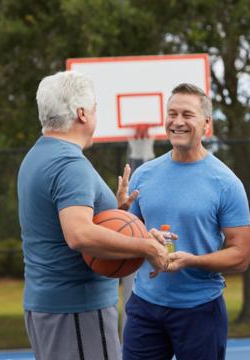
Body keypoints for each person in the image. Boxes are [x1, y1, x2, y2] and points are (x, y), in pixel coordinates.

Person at [18, 70, 168, 360]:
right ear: (82, 113)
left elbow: (64, 224)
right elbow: (79, 234)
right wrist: (146, 245)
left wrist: (115, 211)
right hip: (76, 307)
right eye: (96, 107)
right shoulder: (69, 164)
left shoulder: (37, 156)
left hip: (48, 302)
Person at [123, 83, 250, 360]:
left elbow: (241, 256)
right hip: (145, 306)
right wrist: (138, 232)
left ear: (207, 124)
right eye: (172, 114)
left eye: (187, 114)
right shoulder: (143, 175)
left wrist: (192, 260)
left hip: (200, 309)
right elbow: (124, 237)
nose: (177, 122)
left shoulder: (226, 182)